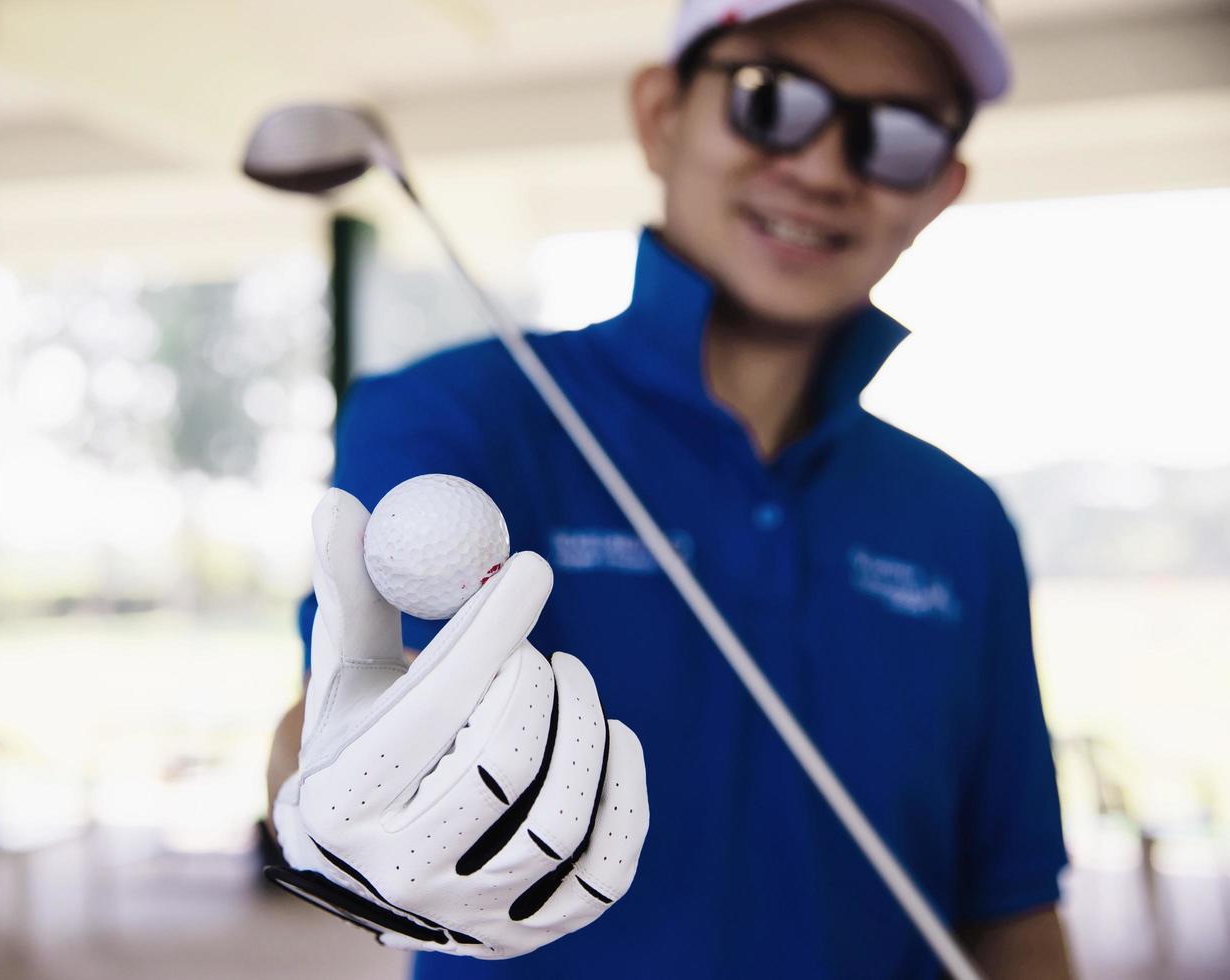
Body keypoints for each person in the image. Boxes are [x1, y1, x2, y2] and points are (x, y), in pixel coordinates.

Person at [266, 0, 1073, 976]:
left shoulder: (960, 520)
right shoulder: (454, 414)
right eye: (769, 101)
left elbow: (1012, 902)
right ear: (660, 114)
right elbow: (348, 713)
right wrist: (325, 782)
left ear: (940, 187)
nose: (822, 168)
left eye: (894, 135)